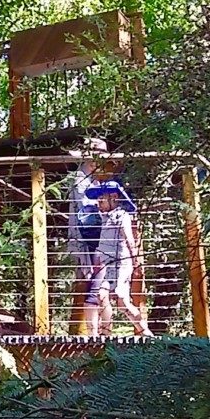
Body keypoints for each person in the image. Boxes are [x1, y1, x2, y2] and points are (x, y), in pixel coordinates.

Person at [85, 180, 153, 336]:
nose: (99, 201)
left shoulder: (122, 216)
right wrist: (97, 263)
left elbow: (129, 239)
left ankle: (145, 331)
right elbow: (103, 244)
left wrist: (136, 262)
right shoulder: (105, 218)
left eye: (102, 197)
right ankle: (105, 335)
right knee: (101, 295)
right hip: (107, 265)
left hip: (121, 265)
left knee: (123, 303)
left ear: (114, 197)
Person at [67, 138, 106, 333]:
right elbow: (85, 208)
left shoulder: (93, 179)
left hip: (96, 235)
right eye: (91, 158)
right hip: (86, 235)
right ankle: (93, 332)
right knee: (93, 278)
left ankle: (98, 331)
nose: (94, 162)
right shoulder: (79, 178)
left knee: (98, 280)